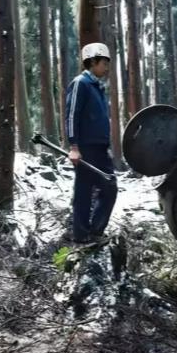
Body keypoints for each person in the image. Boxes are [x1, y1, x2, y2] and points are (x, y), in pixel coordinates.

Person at [65, 42, 118, 243]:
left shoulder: (97, 86)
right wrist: (74, 147)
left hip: (100, 148)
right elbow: (71, 115)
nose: (107, 67)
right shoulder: (81, 83)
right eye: (104, 63)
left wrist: (107, 147)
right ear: (93, 62)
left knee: (110, 187)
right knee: (84, 192)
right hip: (85, 148)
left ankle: (95, 231)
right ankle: (81, 235)